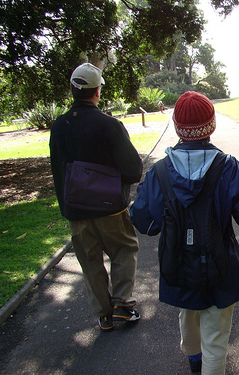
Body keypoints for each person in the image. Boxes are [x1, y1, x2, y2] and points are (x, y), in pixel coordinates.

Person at [130, 91, 239, 374]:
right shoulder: (228, 168)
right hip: (220, 265)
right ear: (211, 126)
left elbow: (145, 222)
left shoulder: (160, 171)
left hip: (178, 263)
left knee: (188, 314)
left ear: (177, 127)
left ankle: (193, 360)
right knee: (216, 335)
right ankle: (207, 365)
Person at [50, 63, 143, 332]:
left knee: (89, 262)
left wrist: (66, 205)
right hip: (109, 208)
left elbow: (58, 169)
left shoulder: (59, 126)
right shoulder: (109, 125)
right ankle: (123, 305)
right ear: (97, 91)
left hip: (76, 210)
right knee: (124, 249)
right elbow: (133, 169)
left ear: (73, 90)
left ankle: (104, 314)